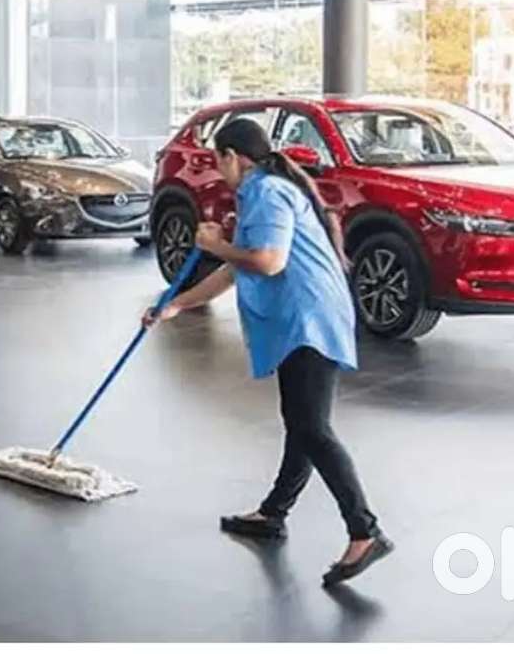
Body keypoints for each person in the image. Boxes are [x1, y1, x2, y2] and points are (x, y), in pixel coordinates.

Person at [143, 117, 392, 587]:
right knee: (301, 422)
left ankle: (365, 531)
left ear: (232, 156)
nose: (217, 170)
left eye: (218, 161)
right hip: (309, 315)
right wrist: (176, 303)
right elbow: (235, 271)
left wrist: (216, 244)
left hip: (309, 318)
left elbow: (268, 262)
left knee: (311, 427)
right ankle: (273, 513)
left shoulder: (268, 193)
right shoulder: (263, 191)